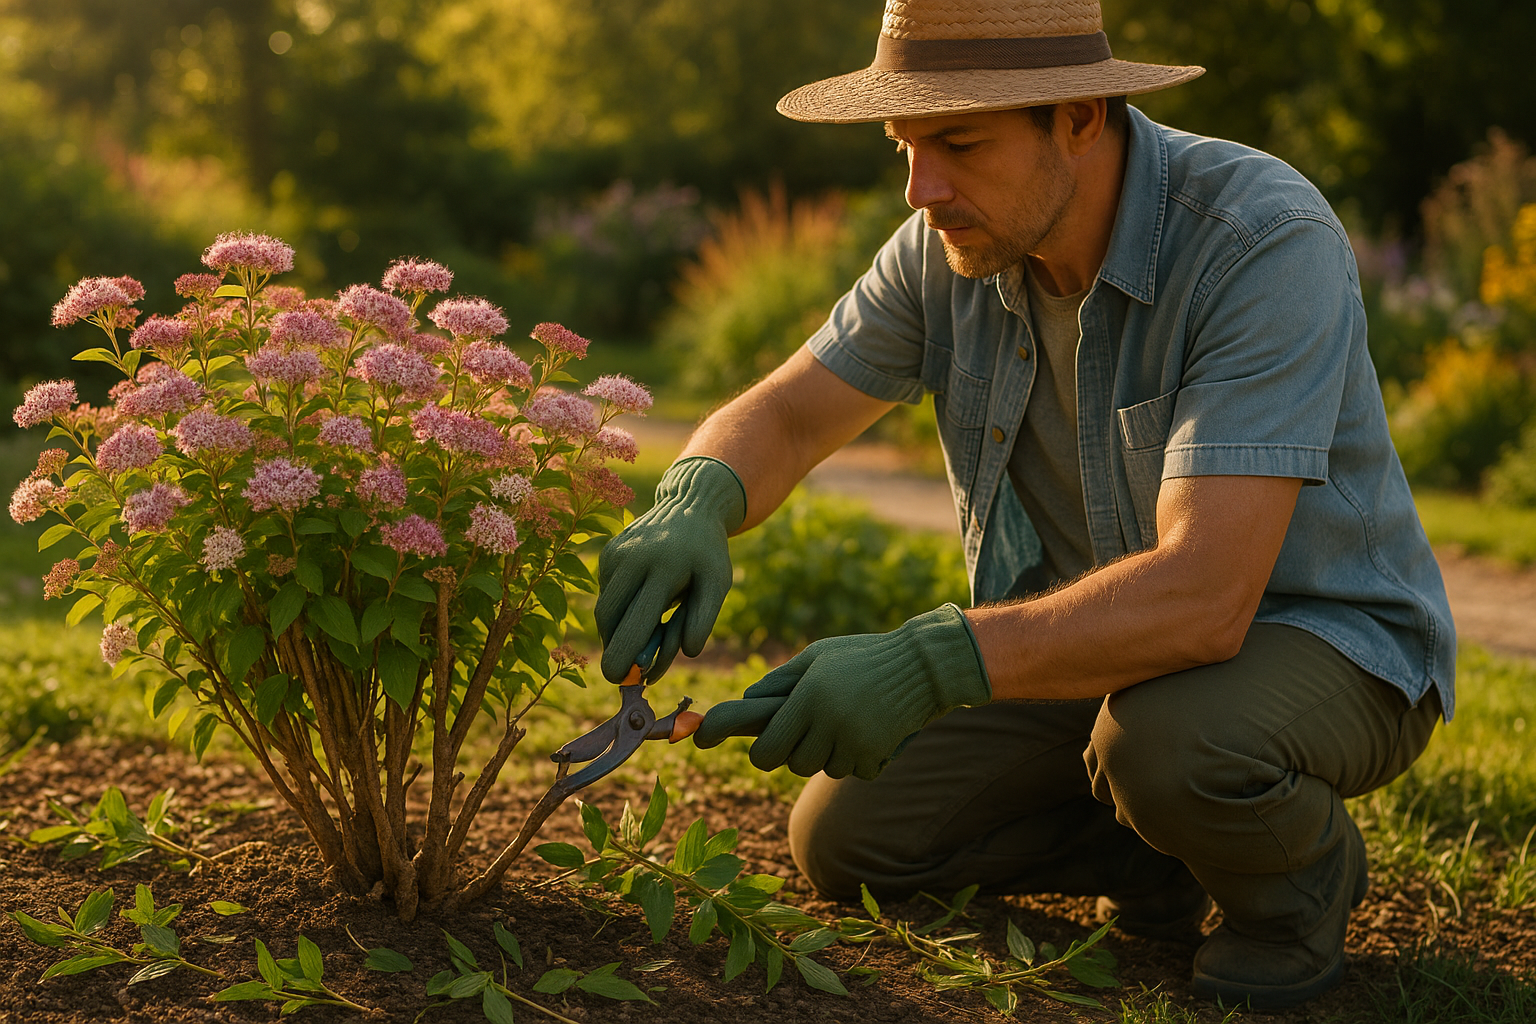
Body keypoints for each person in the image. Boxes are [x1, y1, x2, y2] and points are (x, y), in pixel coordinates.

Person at [593, 0, 1454, 1009]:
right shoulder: (951, 244)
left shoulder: (1258, 238)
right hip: (1095, 655)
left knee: (1171, 744)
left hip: (1320, 641)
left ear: (1081, 114)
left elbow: (1208, 595)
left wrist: (930, 660)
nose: (922, 188)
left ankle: (1296, 894)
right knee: (848, 837)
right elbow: (787, 414)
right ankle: (1160, 857)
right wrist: (696, 493)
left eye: (956, 141)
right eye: (905, 145)